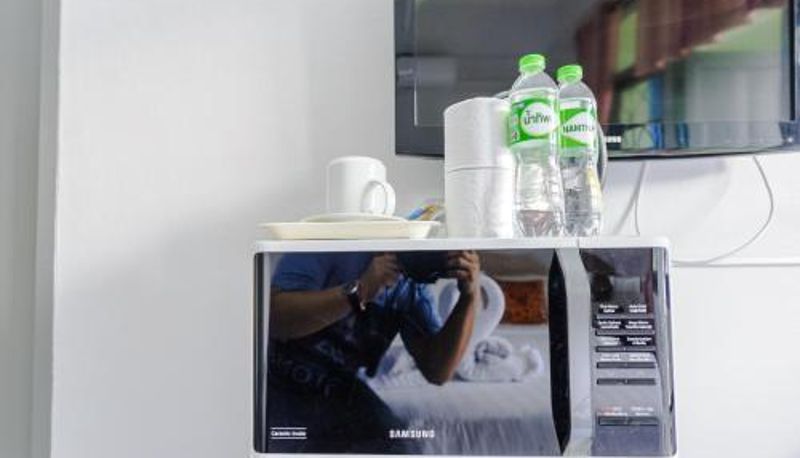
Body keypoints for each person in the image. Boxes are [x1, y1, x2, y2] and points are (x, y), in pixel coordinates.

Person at [266, 250, 480, 453]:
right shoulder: (328, 249)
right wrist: (360, 291)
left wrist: (469, 297)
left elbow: (438, 372)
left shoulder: (412, 289)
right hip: (280, 380)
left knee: (402, 447)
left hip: (341, 391)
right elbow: (275, 320)